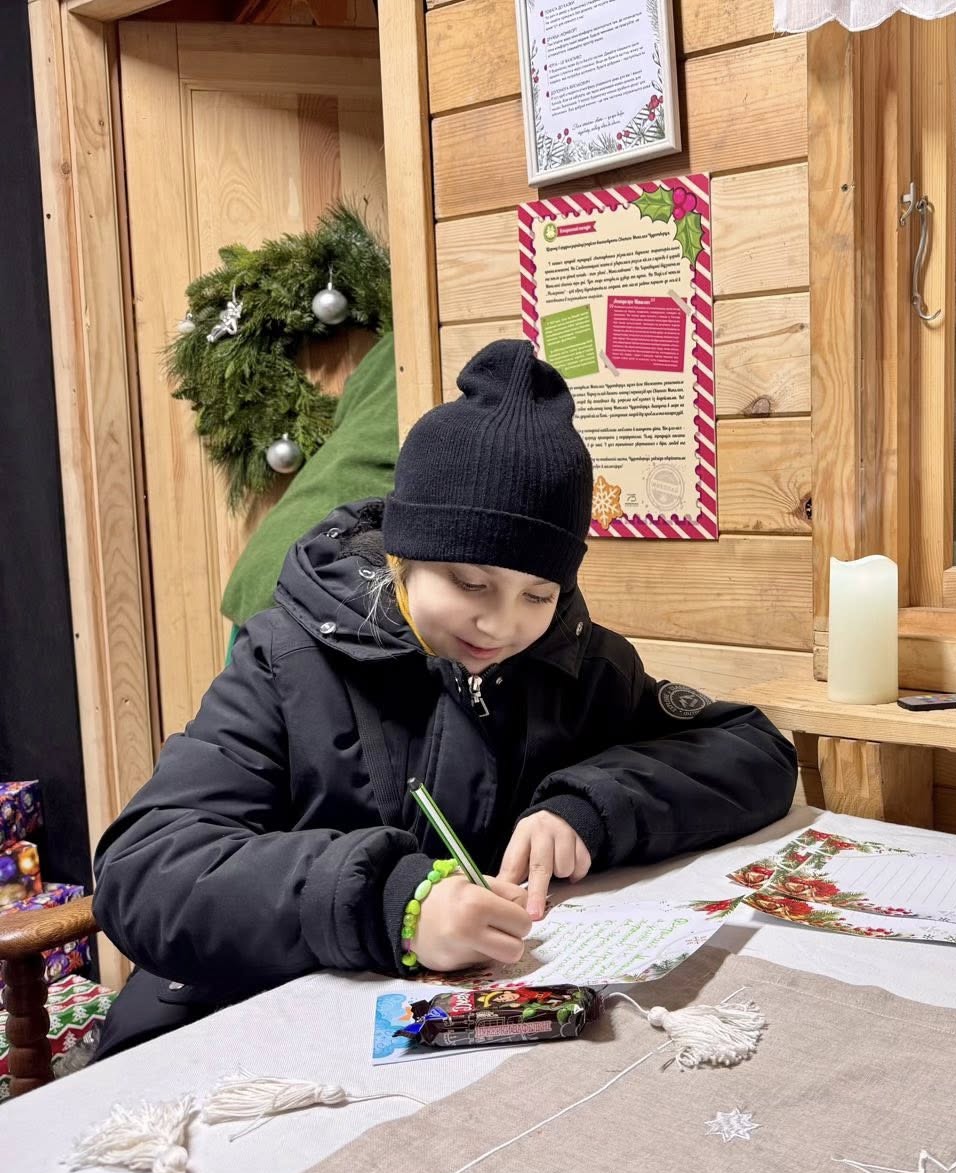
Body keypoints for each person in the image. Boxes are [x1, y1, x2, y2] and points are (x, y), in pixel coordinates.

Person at [91, 340, 798, 1054]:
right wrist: (390, 904)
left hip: (444, 1039)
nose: (500, 624)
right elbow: (145, 870)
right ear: (402, 553)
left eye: (538, 594)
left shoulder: (577, 662)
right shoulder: (288, 660)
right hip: (234, 1023)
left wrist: (588, 808)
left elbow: (753, 750)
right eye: (469, 583)